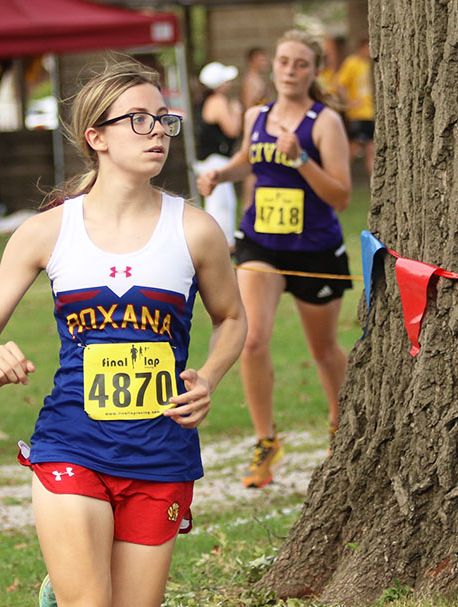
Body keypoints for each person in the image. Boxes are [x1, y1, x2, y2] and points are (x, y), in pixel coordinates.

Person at [0, 58, 246, 607]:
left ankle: (68, 582)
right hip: (72, 443)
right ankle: (78, 582)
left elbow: (232, 319)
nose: (157, 132)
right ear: (97, 135)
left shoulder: (195, 231)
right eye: (138, 120)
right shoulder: (48, 232)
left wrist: (210, 376)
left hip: (160, 450)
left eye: (164, 120)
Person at [197, 29, 352, 489]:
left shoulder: (324, 122)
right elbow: (250, 159)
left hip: (315, 249)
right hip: (260, 244)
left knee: (323, 350)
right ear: (273, 66)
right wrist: (220, 174)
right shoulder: (256, 115)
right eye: (283, 61)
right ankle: (266, 442)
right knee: (251, 339)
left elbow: (341, 195)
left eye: (300, 63)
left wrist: (301, 157)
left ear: (313, 71)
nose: (289, 70)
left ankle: (340, 430)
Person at [192, 61, 243, 247]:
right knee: (222, 203)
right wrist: (237, 113)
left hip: (208, 159)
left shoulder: (202, 100)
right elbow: (232, 130)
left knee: (220, 201)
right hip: (216, 159)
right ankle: (222, 243)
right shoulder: (218, 101)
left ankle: (221, 241)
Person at [239, 47, 273, 212]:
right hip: (255, 128)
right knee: (253, 168)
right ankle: (247, 205)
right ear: (252, 60)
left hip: (262, 125)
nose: (264, 63)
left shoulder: (259, 79)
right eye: (260, 59)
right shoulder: (250, 81)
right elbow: (249, 108)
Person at [334, 37, 375, 176]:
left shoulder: (370, 64)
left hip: (370, 113)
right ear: (362, 47)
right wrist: (349, 102)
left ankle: (374, 185)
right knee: (353, 148)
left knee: (371, 149)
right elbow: (339, 84)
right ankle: (339, 175)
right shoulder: (352, 63)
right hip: (357, 114)